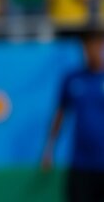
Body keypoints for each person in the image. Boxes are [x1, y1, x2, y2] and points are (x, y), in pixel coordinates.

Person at [43, 31, 104, 202]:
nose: (92, 50)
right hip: (81, 163)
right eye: (87, 45)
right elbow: (60, 114)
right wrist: (49, 150)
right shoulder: (73, 78)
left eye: (96, 44)